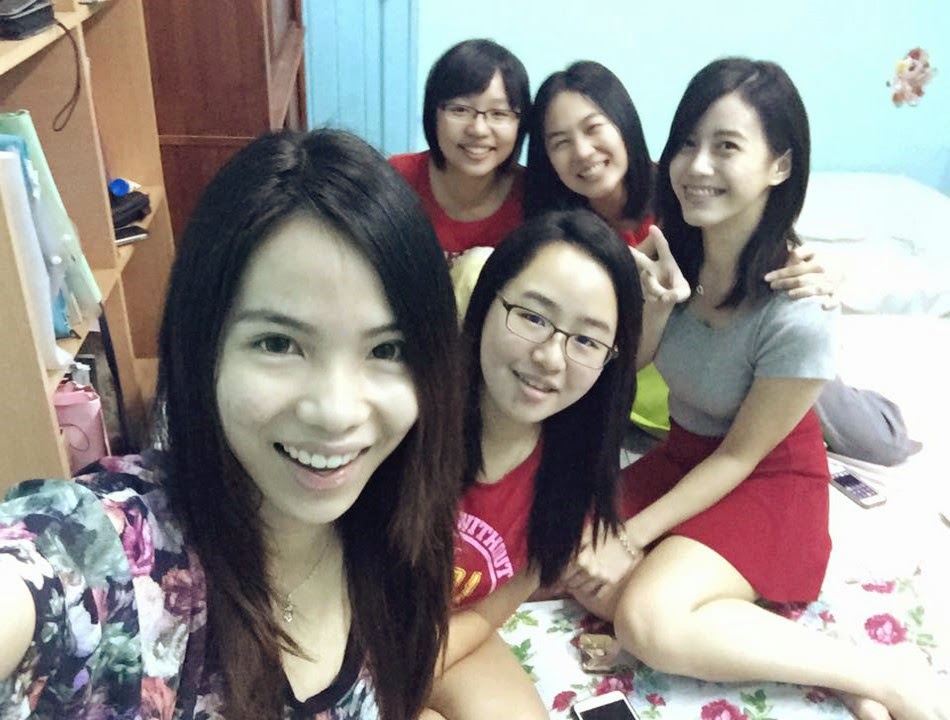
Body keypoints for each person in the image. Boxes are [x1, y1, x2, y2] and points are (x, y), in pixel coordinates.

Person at [0, 129, 465, 720]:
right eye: (278, 343)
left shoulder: (396, 528)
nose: (336, 412)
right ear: (204, 347)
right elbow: (39, 569)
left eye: (387, 350)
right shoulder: (120, 550)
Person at [564, 58, 947, 720]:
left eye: (726, 146)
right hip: (683, 461)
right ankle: (750, 636)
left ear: (779, 165)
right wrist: (654, 304)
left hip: (767, 482)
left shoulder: (800, 306)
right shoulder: (675, 252)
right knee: (570, 552)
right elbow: (635, 370)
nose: (698, 165)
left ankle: (879, 673)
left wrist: (634, 536)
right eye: (688, 142)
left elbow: (741, 456)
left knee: (646, 620)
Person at [526, 59, 919, 466]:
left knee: (876, 442)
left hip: (744, 355)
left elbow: (760, 237)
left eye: (593, 128)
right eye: (560, 142)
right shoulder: (561, 234)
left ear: (622, 123)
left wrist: (822, 268)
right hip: (670, 390)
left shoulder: (687, 192)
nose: (583, 152)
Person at [422, 210, 643, 719]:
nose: (551, 357)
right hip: (340, 638)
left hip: (448, 636)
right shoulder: (409, 421)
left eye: (586, 340)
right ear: (487, 302)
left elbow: (489, 611)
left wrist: (417, 667)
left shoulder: (571, 471)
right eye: (533, 317)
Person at [390, 38, 531, 259]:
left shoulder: (533, 197)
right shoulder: (396, 180)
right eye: (460, 110)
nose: (478, 130)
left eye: (499, 113)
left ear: (520, 124)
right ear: (433, 114)